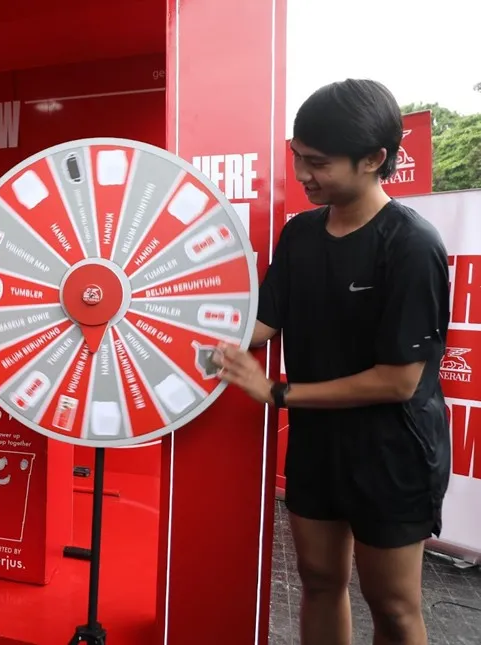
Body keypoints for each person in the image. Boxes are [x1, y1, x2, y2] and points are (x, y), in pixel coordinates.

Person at [215, 79, 450, 645]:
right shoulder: (299, 235)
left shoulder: (412, 245)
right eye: (298, 158)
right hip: (320, 445)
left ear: (374, 159)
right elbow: (265, 321)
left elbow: (398, 381)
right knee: (319, 580)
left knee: (392, 606)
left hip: (393, 451)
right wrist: (156, 322)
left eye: (317, 163)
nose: (301, 176)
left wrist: (277, 393)